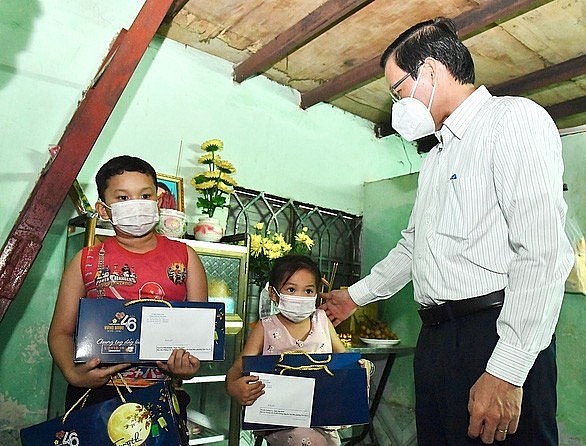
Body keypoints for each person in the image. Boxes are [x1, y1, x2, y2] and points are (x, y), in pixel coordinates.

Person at [320, 17, 573, 446]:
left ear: (432, 71)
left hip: (492, 333)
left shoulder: (512, 120)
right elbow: (414, 247)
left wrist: (506, 370)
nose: (397, 104)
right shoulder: (437, 157)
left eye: (398, 90)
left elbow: (543, 251)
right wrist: (354, 297)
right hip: (436, 339)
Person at [48, 155, 208, 414]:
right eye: (123, 198)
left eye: (145, 196)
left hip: (162, 397)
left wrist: (188, 366)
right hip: (95, 396)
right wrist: (73, 374)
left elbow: (198, 336)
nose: (136, 205)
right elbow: (60, 333)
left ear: (157, 201)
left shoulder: (186, 258)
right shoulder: (85, 260)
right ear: (103, 209)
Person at [226, 255, 371, 446]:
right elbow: (235, 372)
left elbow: (344, 361)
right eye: (291, 289)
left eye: (308, 290)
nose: (300, 297)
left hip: (324, 420)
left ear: (317, 293)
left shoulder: (323, 321)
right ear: (273, 293)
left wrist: (360, 368)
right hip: (281, 425)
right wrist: (236, 388)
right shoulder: (266, 327)